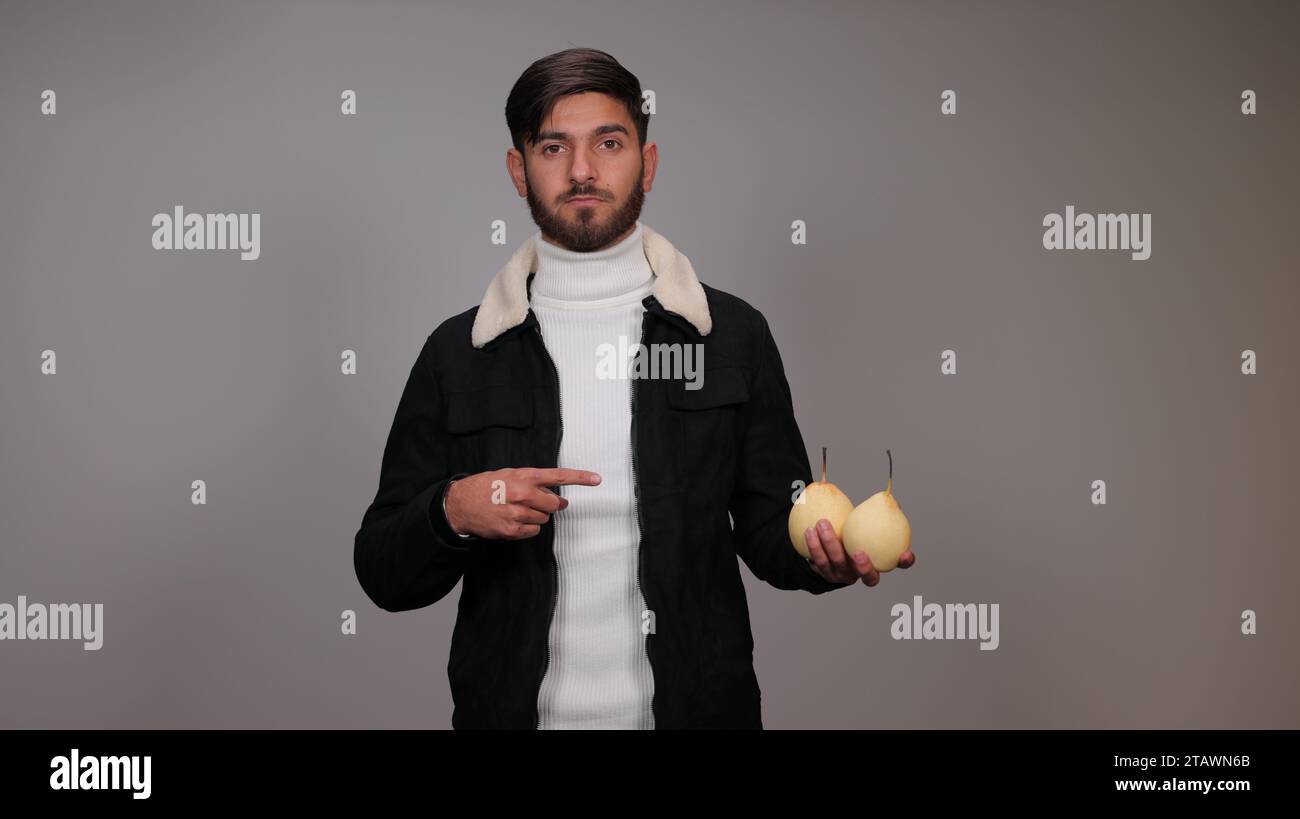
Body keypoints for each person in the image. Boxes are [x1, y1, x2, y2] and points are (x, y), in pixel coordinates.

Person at [353, 47, 914, 730]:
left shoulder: (728, 335)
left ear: (647, 163)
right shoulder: (460, 353)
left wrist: (824, 556)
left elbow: (772, 527)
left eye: (608, 143)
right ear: (517, 170)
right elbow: (382, 569)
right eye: (553, 146)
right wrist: (452, 510)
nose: (583, 170)